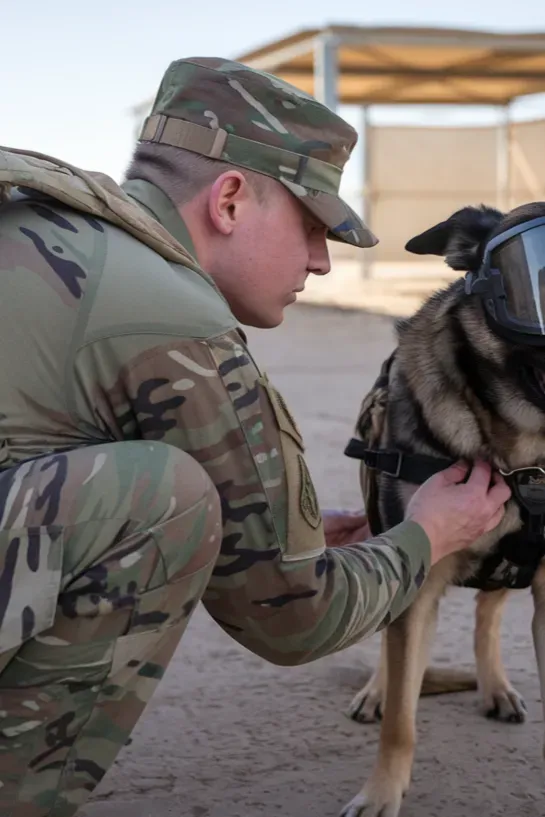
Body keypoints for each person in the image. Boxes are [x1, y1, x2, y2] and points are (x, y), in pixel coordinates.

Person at [0, 56, 510, 816]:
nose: (321, 260)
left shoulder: (46, 221)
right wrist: (425, 537)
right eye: (312, 226)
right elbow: (293, 619)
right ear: (231, 199)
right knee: (163, 500)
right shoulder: (175, 322)